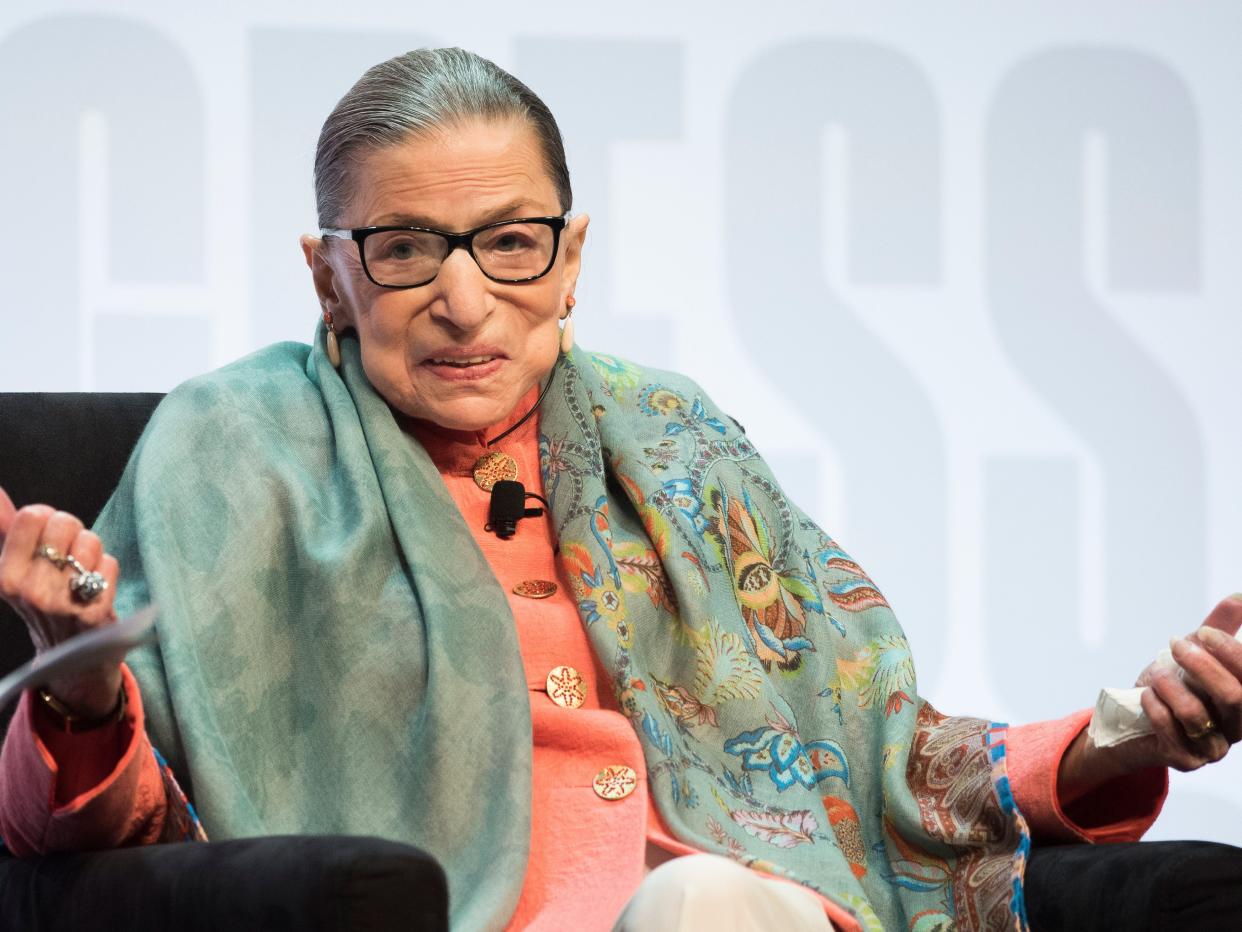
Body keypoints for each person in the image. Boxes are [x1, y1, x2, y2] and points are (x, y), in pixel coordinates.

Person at [0, 47, 1240, 931]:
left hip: (744, 908)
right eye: (403, 247)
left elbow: (881, 760)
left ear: (570, 258)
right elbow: (75, 845)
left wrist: (1135, 731)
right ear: (332, 278)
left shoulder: (677, 438)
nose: (465, 295)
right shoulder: (225, 453)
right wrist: (78, 678)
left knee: (709, 899)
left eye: (509, 240)